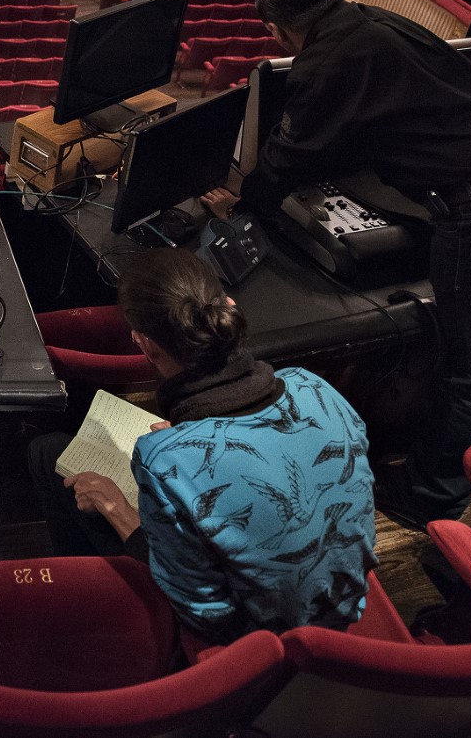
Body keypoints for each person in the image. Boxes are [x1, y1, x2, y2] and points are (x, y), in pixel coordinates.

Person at [224, 0, 471, 525]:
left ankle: (432, 496)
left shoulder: (324, 62)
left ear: (276, 31)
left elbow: (293, 157)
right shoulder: (383, 21)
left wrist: (241, 201)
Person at [28, 249, 374, 642]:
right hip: (343, 601)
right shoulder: (314, 387)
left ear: (145, 345)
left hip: (260, 637)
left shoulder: (162, 459)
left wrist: (119, 511)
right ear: (230, 307)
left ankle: (87, 617)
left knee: (46, 453)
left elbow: (208, 614)